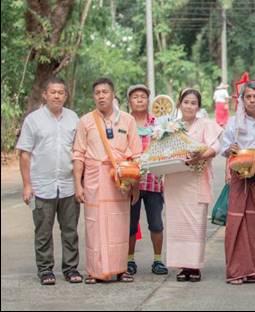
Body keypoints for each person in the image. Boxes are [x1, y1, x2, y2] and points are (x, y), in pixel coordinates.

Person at [73, 78, 142, 284]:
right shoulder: (85, 121)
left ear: (113, 95)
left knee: (119, 224)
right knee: (94, 225)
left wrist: (135, 186)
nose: (101, 96)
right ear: (93, 96)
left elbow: (137, 154)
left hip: (120, 180)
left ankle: (121, 269)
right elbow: (78, 154)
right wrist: (78, 184)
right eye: (97, 93)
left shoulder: (127, 120)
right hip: (94, 178)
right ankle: (95, 271)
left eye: (105, 92)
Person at [17, 77, 82, 285]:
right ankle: (45, 270)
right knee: (43, 231)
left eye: (61, 92)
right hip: (41, 185)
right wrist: (27, 186)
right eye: (53, 92)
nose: (57, 96)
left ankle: (71, 268)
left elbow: (79, 152)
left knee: (70, 230)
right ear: (45, 94)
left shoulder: (74, 118)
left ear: (66, 95)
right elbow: (24, 154)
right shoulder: (33, 120)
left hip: (68, 185)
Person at [162, 88, 223, 282]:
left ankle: (194, 267)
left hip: (196, 180)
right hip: (176, 181)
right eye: (186, 102)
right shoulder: (170, 126)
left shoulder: (205, 124)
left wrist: (201, 156)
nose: (189, 106)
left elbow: (216, 147)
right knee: (177, 225)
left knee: (195, 224)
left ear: (198, 106)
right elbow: (160, 149)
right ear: (179, 104)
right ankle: (182, 266)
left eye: (193, 103)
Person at [221, 82, 255, 285]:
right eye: (248, 97)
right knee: (237, 223)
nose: (252, 100)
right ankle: (237, 271)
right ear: (242, 100)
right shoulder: (235, 123)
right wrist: (230, 149)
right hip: (239, 177)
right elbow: (223, 146)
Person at [125, 85, 167, 276]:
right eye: (135, 97)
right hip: (130, 182)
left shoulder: (158, 124)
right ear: (129, 101)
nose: (140, 99)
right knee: (130, 224)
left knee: (156, 223)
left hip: (153, 181)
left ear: (148, 100)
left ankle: (158, 260)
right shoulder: (124, 123)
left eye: (143, 96)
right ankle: (129, 260)